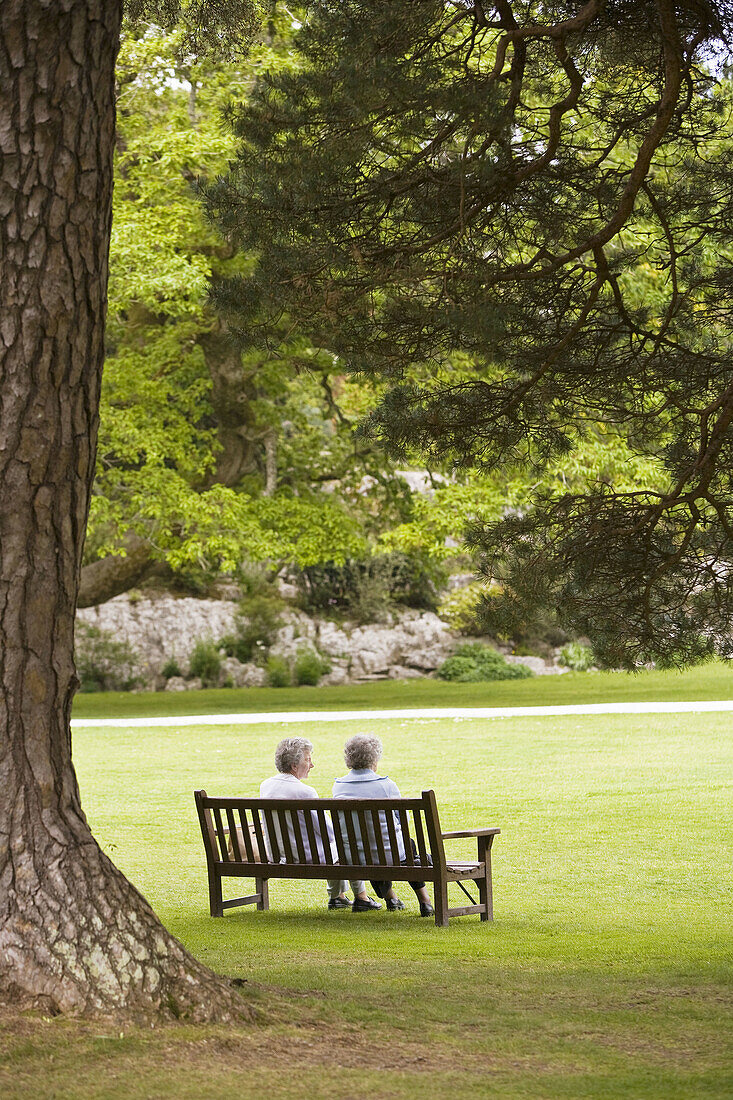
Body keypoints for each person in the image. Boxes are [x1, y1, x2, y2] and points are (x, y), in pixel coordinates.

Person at [260, 736, 381, 912]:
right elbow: (329, 833)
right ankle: (361, 897)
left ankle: (337, 897)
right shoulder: (305, 792)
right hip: (306, 856)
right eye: (308, 760)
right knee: (346, 846)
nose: (312, 765)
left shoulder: (266, 786)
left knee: (334, 849)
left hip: (277, 854)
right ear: (294, 765)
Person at [332, 733, 435, 917]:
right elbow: (402, 821)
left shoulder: (339, 787)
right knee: (407, 847)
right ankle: (425, 902)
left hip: (355, 857)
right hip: (389, 854)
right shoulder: (386, 785)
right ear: (374, 758)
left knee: (371, 848)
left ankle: (391, 899)